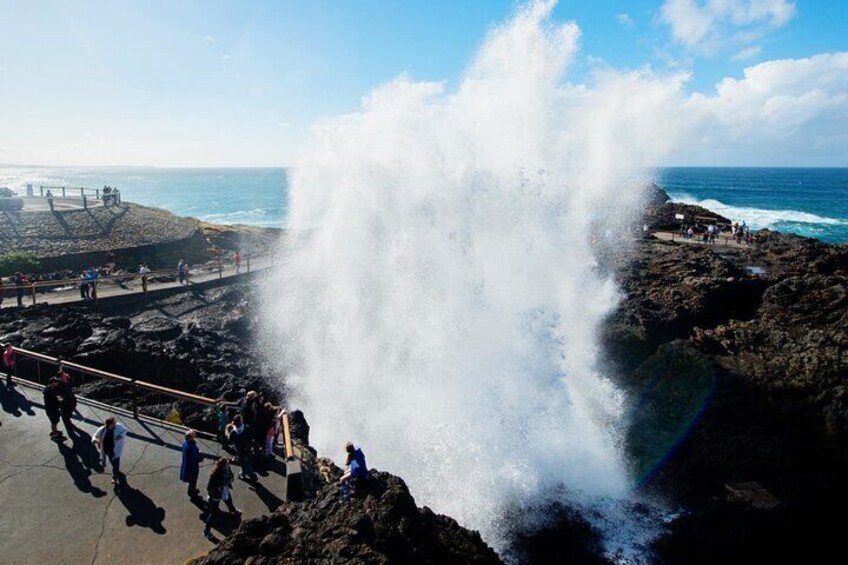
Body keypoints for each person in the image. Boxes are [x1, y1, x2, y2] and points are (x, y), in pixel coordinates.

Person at [204, 458, 241, 541]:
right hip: (215, 496)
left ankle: (233, 511)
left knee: (229, 501)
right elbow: (209, 488)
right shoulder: (214, 476)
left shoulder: (227, 469)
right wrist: (217, 491)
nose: (228, 465)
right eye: (227, 464)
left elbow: (230, 475)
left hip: (224, 490)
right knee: (213, 514)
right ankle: (206, 531)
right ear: (222, 466)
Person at [92, 417, 128, 484]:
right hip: (106, 450)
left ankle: (114, 477)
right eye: (113, 423)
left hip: (115, 450)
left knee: (115, 464)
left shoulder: (118, 426)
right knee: (113, 463)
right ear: (109, 424)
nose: (115, 424)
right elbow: (95, 435)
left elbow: (125, 430)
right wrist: (95, 440)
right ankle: (116, 471)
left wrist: (121, 435)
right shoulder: (102, 429)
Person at [228, 415, 255, 481]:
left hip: (239, 449)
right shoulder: (247, 428)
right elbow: (252, 436)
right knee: (245, 461)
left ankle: (248, 474)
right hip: (248, 447)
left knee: (243, 462)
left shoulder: (233, 432)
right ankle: (245, 474)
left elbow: (230, 441)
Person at [56, 362, 77, 435]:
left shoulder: (67, 381)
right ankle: (69, 427)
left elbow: (72, 384)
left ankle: (68, 418)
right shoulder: (59, 385)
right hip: (64, 402)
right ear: (60, 378)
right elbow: (57, 393)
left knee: (70, 410)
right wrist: (59, 399)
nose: (65, 376)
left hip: (71, 399)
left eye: (64, 375)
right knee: (65, 415)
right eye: (63, 376)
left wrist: (69, 378)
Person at [180, 430, 202, 499]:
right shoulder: (191, 447)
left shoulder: (185, 443)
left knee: (192, 481)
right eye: (193, 434)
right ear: (190, 437)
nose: (195, 434)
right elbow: (195, 458)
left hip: (188, 466)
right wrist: (200, 456)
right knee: (193, 481)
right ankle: (192, 493)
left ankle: (191, 491)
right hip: (192, 468)